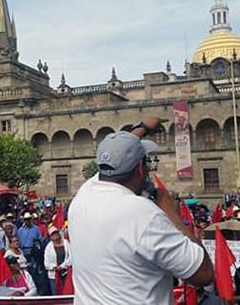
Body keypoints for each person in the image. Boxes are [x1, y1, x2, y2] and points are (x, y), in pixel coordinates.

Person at [68, 118, 214, 304]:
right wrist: (171, 214)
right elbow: (204, 274)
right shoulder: (142, 213)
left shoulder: (84, 195)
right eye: (146, 163)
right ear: (139, 168)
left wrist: (141, 128)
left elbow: (115, 157)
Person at [43, 226, 71, 295]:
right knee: (56, 293)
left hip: (66, 273)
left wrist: (62, 266)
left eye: (56, 233)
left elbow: (71, 257)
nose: (55, 235)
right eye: (52, 234)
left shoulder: (66, 243)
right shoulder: (48, 247)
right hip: (53, 276)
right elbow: (46, 263)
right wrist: (54, 267)